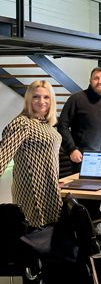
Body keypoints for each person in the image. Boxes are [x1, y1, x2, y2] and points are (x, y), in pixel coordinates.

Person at [58, 67, 101, 220]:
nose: (99, 81)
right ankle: (85, 232)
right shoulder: (77, 99)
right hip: (82, 159)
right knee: (85, 199)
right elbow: (62, 125)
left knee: (97, 196)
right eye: (96, 78)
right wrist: (71, 149)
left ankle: (94, 227)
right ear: (90, 80)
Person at [0, 80, 62, 228]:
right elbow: (2, 157)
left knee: (49, 236)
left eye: (46, 97)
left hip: (50, 188)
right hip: (33, 192)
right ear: (29, 99)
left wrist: (54, 177)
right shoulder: (23, 123)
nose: (42, 101)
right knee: (35, 236)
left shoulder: (46, 124)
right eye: (36, 97)